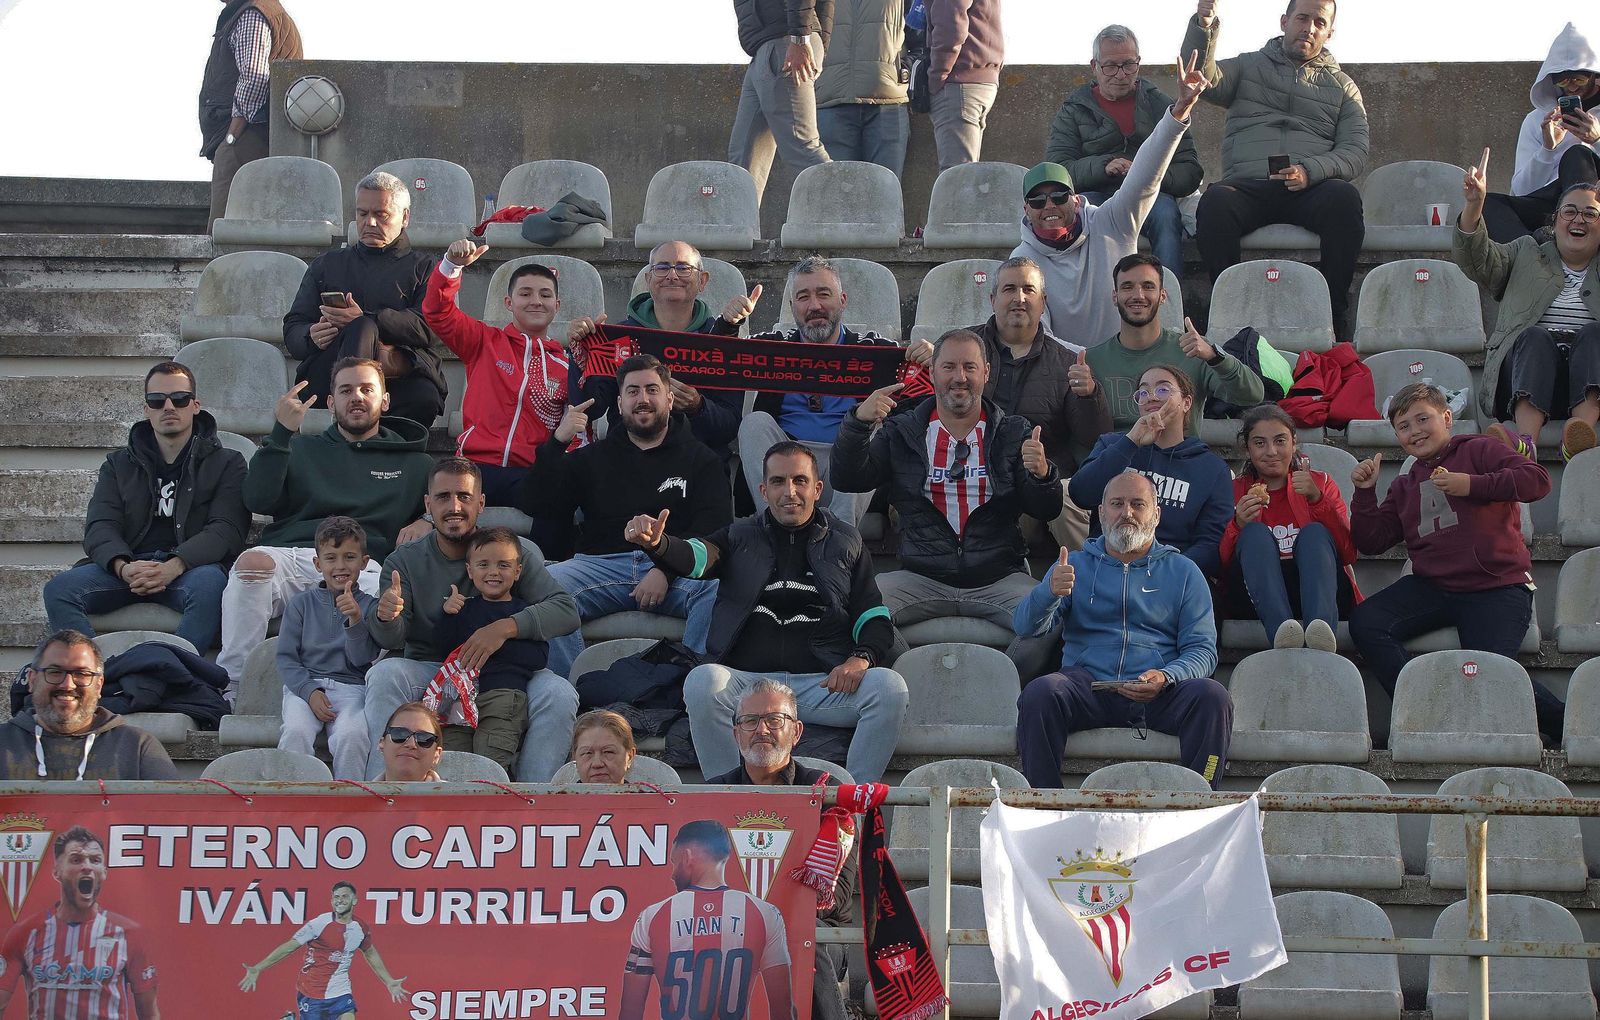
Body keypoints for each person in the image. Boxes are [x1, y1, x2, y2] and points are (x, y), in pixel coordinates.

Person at [627, 441, 908, 782]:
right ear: (763, 490)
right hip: (750, 686)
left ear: (817, 489)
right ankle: (727, 798)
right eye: (778, 482)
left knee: (889, 688)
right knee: (704, 680)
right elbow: (697, 558)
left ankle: (852, 804)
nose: (789, 491)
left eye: (799, 480)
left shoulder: (846, 541)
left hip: (821, 686)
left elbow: (873, 616)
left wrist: (860, 658)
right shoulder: (739, 535)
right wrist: (660, 544)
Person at [1348, 383, 1563, 741]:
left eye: (1423, 419)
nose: (1415, 431)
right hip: (1434, 586)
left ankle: (1568, 726)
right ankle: (1421, 710)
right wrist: (1365, 493)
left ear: (1447, 418)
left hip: (1496, 585)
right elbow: (1371, 541)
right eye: (1404, 426)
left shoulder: (1478, 449)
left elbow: (1537, 481)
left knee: (1489, 674)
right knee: (1367, 622)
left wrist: (1472, 484)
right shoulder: (1404, 484)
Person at [832, 328, 1063, 649]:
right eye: (949, 367)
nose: (960, 377)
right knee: (856, 612)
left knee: (1051, 618)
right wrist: (857, 424)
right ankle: (910, 683)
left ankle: (1005, 691)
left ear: (986, 372)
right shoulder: (903, 430)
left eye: (969, 367)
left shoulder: (1013, 431)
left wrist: (1042, 475)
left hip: (998, 577)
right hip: (920, 577)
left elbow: (1046, 509)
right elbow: (848, 480)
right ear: (934, 371)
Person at [217, 358, 431, 697]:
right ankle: (232, 685)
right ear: (331, 402)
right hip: (297, 554)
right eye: (345, 390)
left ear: (385, 400)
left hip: (364, 563)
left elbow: (453, 504)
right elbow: (257, 499)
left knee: (389, 597)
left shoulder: (416, 463)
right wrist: (281, 432)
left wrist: (426, 519)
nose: (356, 397)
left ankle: (368, 692)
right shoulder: (299, 448)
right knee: (251, 565)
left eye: (367, 389)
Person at [363, 459, 580, 783]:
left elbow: (565, 610)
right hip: (434, 667)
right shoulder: (404, 560)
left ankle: (533, 801)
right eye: (443, 497)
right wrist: (385, 615)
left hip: (505, 670)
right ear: (427, 504)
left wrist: (502, 629)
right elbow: (392, 640)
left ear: (481, 503)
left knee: (559, 693)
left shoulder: (509, 552)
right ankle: (383, 792)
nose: (454, 507)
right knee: (384, 674)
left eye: (464, 497)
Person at [1016, 471, 1231, 789]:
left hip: (1159, 691)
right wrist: (1048, 592)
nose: (1126, 513)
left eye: (1137, 504)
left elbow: (1202, 651)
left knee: (1214, 697)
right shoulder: (1073, 565)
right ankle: (1045, 804)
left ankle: (1203, 800)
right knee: (1040, 694)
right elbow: (1024, 627)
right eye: (1116, 504)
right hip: (1089, 687)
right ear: (1101, 513)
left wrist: (1166, 676)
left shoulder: (1184, 571)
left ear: (1155, 514)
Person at [522, 356, 731, 678]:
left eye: (652, 389)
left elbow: (714, 532)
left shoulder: (701, 459)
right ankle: (569, 693)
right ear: (619, 404)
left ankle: (691, 689)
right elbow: (538, 504)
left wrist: (665, 569)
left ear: (670, 399)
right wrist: (556, 442)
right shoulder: (592, 458)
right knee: (545, 586)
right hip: (601, 566)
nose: (643, 399)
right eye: (633, 392)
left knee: (720, 589)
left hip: (675, 568)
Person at [1184, 0, 1368, 339]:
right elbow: (1205, 78)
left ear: (1329, 31)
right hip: (1248, 185)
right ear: (1285, 21)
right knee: (1214, 203)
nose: (1309, 28)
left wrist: (1310, 170)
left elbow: (1355, 152)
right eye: (1302, 18)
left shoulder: (1344, 88)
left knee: (1345, 199)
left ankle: (1330, 309)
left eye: (1319, 22)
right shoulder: (1248, 66)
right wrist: (1204, 23)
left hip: (1309, 188)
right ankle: (1231, 307)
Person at [43, 362, 248, 650]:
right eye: (157, 400)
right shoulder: (118, 464)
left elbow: (226, 529)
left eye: (179, 399)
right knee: (59, 590)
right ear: (146, 409)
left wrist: (174, 565)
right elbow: (100, 526)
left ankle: (174, 673)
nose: (168, 406)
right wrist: (123, 567)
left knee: (211, 586)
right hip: (130, 566)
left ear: (195, 405)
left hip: (189, 569)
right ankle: (98, 675)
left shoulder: (228, 462)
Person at [1013, 52, 1209, 347]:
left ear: (1076, 200)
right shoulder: (1022, 261)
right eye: (1038, 201)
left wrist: (1179, 111)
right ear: (1026, 209)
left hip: (1127, 362)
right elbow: (1038, 335)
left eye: (1058, 195)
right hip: (1066, 370)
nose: (1049, 205)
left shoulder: (1112, 223)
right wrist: (1088, 364)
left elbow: (1146, 172)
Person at [723, 254, 929, 524]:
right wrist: (728, 325)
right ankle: (774, 531)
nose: (815, 305)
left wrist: (934, 358)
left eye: (824, 294)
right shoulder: (774, 348)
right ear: (792, 306)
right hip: (789, 465)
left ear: (842, 301)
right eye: (804, 297)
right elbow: (717, 358)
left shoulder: (875, 351)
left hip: (847, 468)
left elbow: (926, 395)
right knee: (754, 423)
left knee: (875, 422)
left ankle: (837, 544)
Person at [701, 680, 854, 1020]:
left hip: (817, 933)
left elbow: (839, 894)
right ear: (735, 732)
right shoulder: (711, 796)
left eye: (774, 719)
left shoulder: (828, 795)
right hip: (727, 928)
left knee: (797, 936)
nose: (761, 730)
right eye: (750, 721)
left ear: (796, 731)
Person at [1457, 152, 1600, 462]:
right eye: (1570, 211)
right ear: (1555, 220)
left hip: (1591, 381)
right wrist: (1474, 206)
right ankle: (1524, 443)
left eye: (1590, 214)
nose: (1579, 219)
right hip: (1527, 376)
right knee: (1534, 337)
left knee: (1594, 334)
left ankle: (1579, 435)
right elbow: (1478, 261)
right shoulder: (1526, 252)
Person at [283, 171, 448, 429]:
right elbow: (294, 327)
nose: (369, 222)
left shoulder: (426, 268)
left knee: (422, 396)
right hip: (330, 378)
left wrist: (368, 319)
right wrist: (310, 335)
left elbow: (433, 327)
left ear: (404, 217)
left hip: (401, 376)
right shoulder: (327, 265)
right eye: (362, 214)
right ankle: (350, 404)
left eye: (380, 214)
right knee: (360, 329)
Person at [969, 255, 1114, 549]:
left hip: (1039, 479)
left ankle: (1089, 583)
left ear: (1043, 301)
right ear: (993, 298)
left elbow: (1094, 437)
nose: (1019, 298)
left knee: (1064, 496)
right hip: (972, 469)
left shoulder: (1068, 362)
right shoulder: (963, 348)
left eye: (1029, 290)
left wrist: (1089, 395)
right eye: (1009, 289)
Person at [421, 240, 573, 508]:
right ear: (508, 302)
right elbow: (438, 312)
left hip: (529, 472)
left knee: (559, 501)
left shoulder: (565, 366)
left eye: (545, 295)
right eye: (525, 294)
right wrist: (451, 266)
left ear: (557, 305)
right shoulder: (484, 341)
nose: (536, 301)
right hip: (476, 469)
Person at [1045, 24, 1205, 272]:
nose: (1120, 75)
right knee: (1083, 216)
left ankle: (1170, 301)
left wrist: (1145, 174)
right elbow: (1059, 170)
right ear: (1094, 66)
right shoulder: (1074, 109)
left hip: (1149, 196)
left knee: (1166, 215)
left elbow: (1190, 171)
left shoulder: (1159, 104)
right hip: (1096, 194)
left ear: (1139, 64)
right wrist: (1103, 166)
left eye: (1129, 65)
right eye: (1110, 66)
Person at [568, 241, 748, 460]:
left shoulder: (720, 338)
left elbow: (728, 428)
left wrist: (698, 407)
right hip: (629, 459)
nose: (672, 275)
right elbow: (589, 410)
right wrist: (582, 357)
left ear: (702, 280)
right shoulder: (621, 336)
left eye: (683, 268)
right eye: (662, 267)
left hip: (698, 462)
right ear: (648, 279)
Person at [619, 818, 794, 1020]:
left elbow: (630, 1013)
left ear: (687, 856)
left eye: (674, 862)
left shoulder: (652, 915)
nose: (672, 874)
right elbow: (783, 1010)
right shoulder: (765, 913)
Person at [1069, 365, 1233, 579]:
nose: (1151, 397)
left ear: (1186, 403)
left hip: (1171, 577)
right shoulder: (1113, 446)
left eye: (1163, 390)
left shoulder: (1211, 468)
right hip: (1107, 569)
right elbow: (1081, 494)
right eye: (1143, 392)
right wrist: (1131, 442)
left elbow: (1210, 545)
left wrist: (1162, 572)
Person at [1219, 404, 1358, 650]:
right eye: (1260, 443)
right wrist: (1237, 525)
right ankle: (1282, 633)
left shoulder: (1320, 483)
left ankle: (1321, 634)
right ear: (1247, 448)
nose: (1271, 451)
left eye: (1280, 441)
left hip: (1318, 589)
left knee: (1314, 533)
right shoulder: (1235, 491)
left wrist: (1318, 501)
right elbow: (1223, 564)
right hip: (1258, 596)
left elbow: (1348, 553)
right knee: (1253, 534)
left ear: (1294, 443)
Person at [1088, 254, 1266, 430]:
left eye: (1148, 286)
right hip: (1120, 458)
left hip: (1179, 457)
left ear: (1163, 296)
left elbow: (1252, 396)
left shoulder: (1193, 351)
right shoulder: (1093, 360)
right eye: (1127, 287)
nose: (1138, 295)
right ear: (1114, 296)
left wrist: (1215, 357)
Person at [0, 826, 161, 1018]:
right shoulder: (26, 933)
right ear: (57, 872)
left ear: (104, 872)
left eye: (95, 860)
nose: (87, 866)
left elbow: (149, 1014)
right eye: (76, 860)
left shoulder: (129, 934)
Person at [431, 527, 548, 772]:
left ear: (518, 572)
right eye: (483, 565)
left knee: (490, 765)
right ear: (470, 571)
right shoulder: (464, 610)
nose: (493, 572)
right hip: (459, 699)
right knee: (453, 764)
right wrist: (448, 614)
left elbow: (539, 656)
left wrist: (496, 647)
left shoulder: (524, 614)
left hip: (503, 696)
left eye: (503, 565)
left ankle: (495, 809)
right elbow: (442, 647)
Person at [276, 516, 380, 780]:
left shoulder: (369, 606)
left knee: (352, 736)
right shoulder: (300, 604)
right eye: (331, 558)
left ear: (364, 563)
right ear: (317, 563)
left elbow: (362, 659)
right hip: (305, 687)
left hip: (352, 689)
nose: (340, 566)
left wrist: (355, 621)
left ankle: (350, 803)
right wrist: (309, 692)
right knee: (296, 732)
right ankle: (291, 803)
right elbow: (287, 659)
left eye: (349, 557)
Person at [0, 631, 177, 780]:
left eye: (82, 674)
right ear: (32, 680)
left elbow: (171, 815)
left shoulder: (138, 747)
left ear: (99, 685)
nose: (68, 685)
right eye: (54, 672)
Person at [1483, 25, 1600, 242]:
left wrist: (1596, 140)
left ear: (1595, 76)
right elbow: (1523, 191)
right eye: (1563, 81)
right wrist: (1547, 150)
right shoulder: (1538, 120)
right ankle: (1539, 253)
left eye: (1579, 79)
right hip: (1552, 205)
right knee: (1487, 205)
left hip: (1594, 206)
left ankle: (1574, 238)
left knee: (1577, 155)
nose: (1572, 88)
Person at [201, 0, 301, 227]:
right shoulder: (261, 9)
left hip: (246, 137)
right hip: (256, 135)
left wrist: (231, 136)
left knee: (225, 235)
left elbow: (255, 77)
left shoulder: (252, 14)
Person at [239, 880, 407, 1014]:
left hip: (341, 991)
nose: (339, 900)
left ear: (354, 901)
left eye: (344, 896)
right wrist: (258, 968)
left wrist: (389, 981)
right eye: (336, 897)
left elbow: (369, 952)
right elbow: (288, 947)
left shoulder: (360, 927)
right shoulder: (319, 923)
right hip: (311, 992)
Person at [727, 0, 834, 202]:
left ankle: (854, 218)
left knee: (802, 148)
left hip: (786, 43)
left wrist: (802, 40)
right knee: (743, 156)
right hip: (767, 47)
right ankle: (739, 230)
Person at [815, 0, 910, 177]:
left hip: (887, 103)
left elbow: (923, 21)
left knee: (886, 194)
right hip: (831, 101)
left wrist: (907, 66)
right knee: (836, 195)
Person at [926, 0, 1003, 170]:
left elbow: (950, 25)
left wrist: (938, 75)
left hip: (959, 81)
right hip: (982, 77)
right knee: (966, 174)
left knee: (956, 177)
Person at [376, 702, 446, 782]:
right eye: (400, 734)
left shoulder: (458, 794)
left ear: (437, 755)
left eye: (423, 738)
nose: (411, 744)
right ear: (382, 743)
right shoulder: (360, 793)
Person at [571, 709, 638, 783]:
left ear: (630, 756)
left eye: (608, 752)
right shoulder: (558, 793)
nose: (597, 764)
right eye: (587, 753)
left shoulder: (649, 794)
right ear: (575, 758)